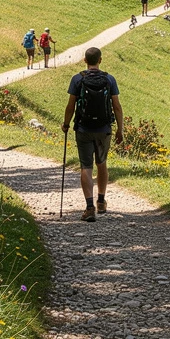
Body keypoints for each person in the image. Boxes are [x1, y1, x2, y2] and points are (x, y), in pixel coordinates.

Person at [62, 46, 123, 221]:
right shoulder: (109, 79)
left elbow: (70, 106)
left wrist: (66, 124)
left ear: (85, 61)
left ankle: (89, 207)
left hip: (83, 128)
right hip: (104, 129)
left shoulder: (77, 79)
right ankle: (101, 201)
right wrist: (120, 129)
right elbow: (117, 106)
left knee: (86, 166)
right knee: (102, 163)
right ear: (100, 60)